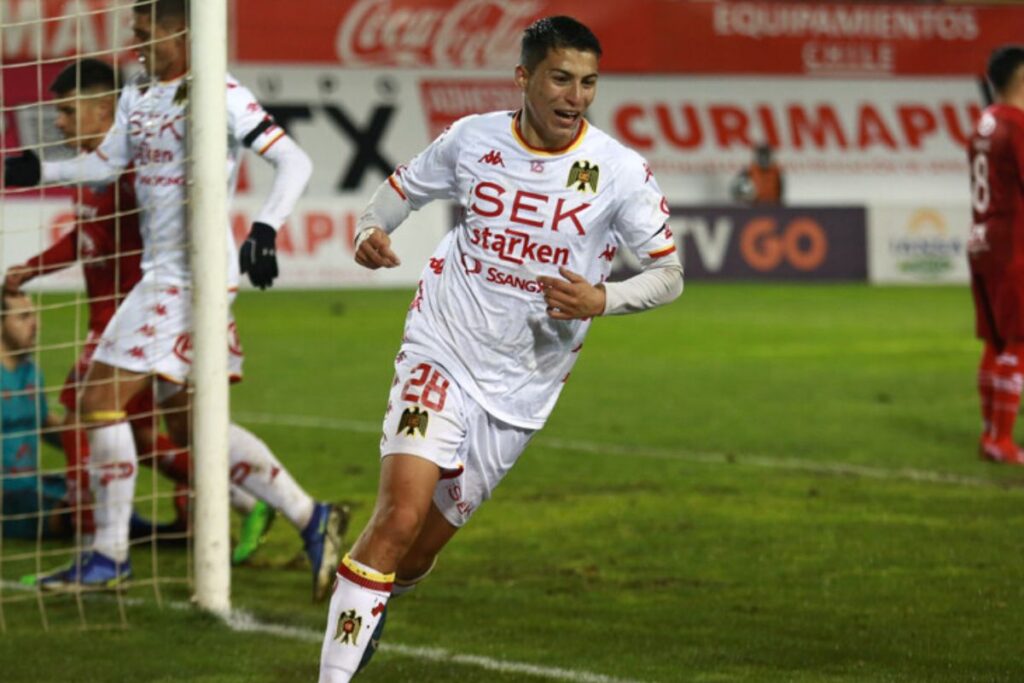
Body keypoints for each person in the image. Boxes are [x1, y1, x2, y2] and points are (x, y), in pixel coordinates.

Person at [317, 16, 683, 681]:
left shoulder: (618, 171)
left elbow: (668, 274)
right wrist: (371, 227)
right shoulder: (472, 138)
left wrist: (603, 299)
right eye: (561, 79)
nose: (575, 97)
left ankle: (373, 602)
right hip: (443, 343)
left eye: (588, 83)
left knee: (416, 553)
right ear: (525, 77)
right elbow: (401, 191)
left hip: (523, 384)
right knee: (396, 519)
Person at [3, 0, 347, 598]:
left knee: (98, 399)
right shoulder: (139, 94)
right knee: (192, 428)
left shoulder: (216, 91)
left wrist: (264, 228)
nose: (134, 43)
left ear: (180, 31)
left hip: (189, 280)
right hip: (164, 276)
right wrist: (33, 168)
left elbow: (294, 159)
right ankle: (312, 516)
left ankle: (109, 555)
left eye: (143, 33)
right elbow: (108, 163)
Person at [3, 58, 278, 560]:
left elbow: (119, 239)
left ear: (104, 109)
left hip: (138, 316)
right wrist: (33, 266)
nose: (57, 123)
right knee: (155, 432)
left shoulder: (134, 169)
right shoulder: (100, 168)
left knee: (79, 414)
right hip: (120, 316)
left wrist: (34, 267)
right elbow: (89, 237)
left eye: (66, 111)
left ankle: (95, 535)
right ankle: (248, 501)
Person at [968, 45, 1024, 464]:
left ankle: (990, 434)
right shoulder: (1018, 126)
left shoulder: (982, 124)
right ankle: (1002, 442)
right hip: (1013, 247)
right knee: (1018, 344)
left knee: (995, 341)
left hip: (983, 240)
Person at [1, 292, 75, 540]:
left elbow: (44, 424)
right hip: (7, 496)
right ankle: (160, 533)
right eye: (23, 317)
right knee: (78, 512)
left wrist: (89, 441)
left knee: (97, 490)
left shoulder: (32, 371)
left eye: (34, 315)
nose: (36, 324)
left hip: (32, 485)